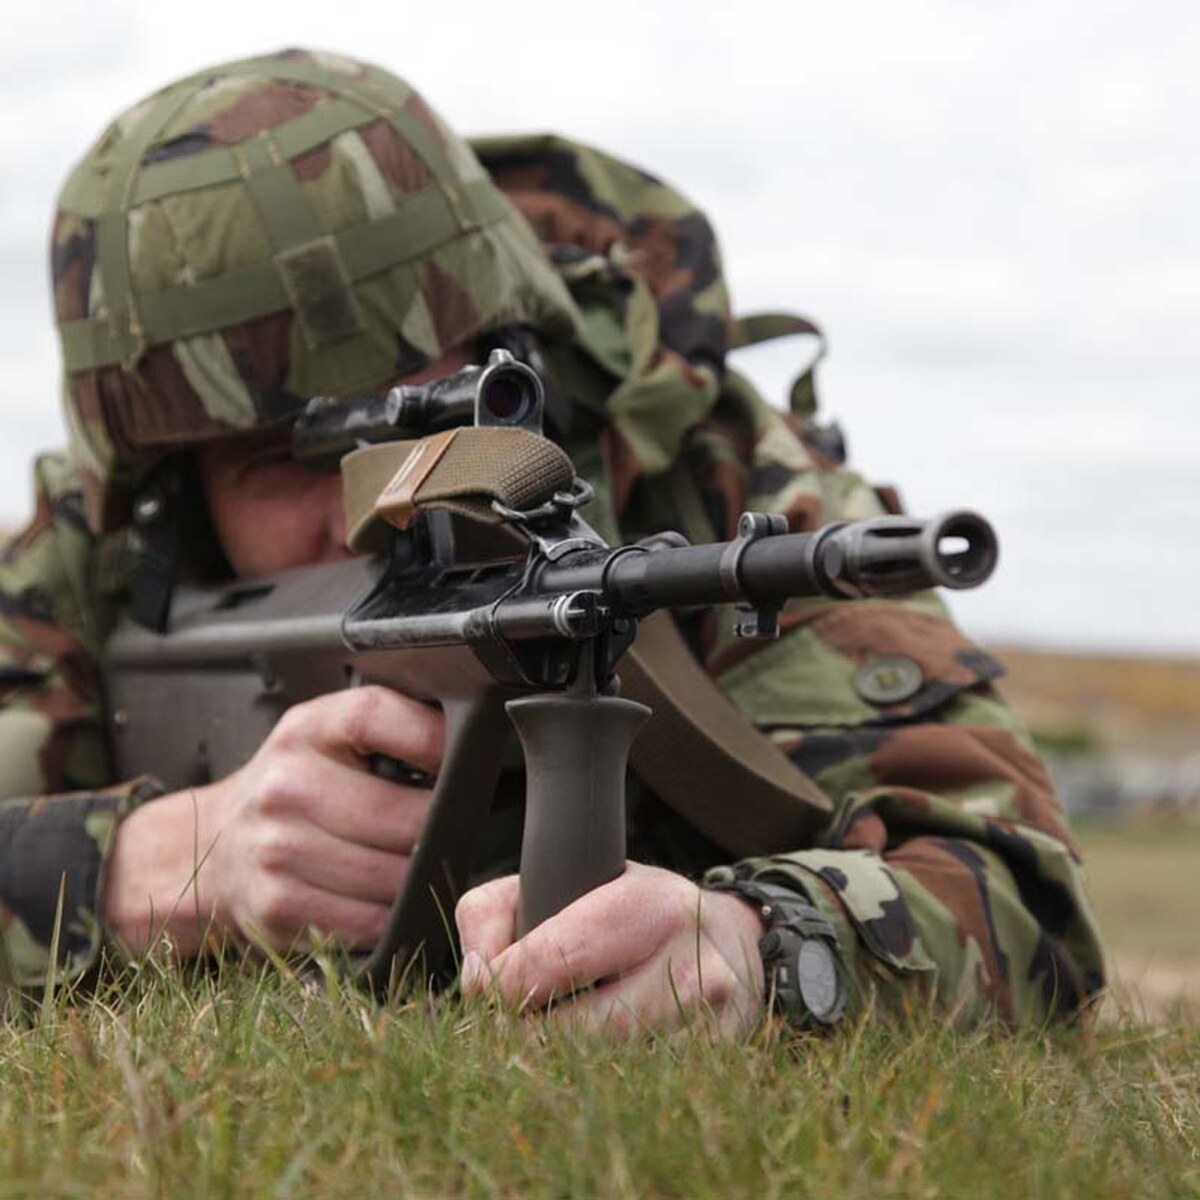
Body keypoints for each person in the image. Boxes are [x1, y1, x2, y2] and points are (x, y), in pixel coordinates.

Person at [0, 48, 1103, 1033]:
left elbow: (1025, 897)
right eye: (286, 461)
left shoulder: (724, 493)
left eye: (433, 415)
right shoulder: (95, 557)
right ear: (173, 488)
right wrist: (144, 867)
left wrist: (765, 951)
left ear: (508, 352)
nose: (381, 498)